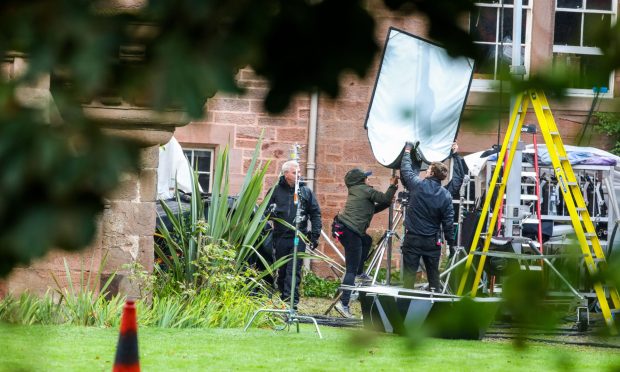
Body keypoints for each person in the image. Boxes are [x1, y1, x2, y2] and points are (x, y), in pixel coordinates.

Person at [334, 168, 398, 318]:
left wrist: (387, 202)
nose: (368, 179)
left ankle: (359, 272)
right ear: (360, 180)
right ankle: (343, 304)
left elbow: (371, 209)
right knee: (351, 269)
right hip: (351, 231)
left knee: (367, 240)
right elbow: (383, 198)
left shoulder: (358, 191)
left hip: (348, 229)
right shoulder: (364, 189)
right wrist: (393, 186)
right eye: (366, 177)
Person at [400, 142, 455, 291]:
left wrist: (407, 151)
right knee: (433, 277)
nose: (426, 171)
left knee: (409, 279)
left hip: (413, 239)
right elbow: (448, 222)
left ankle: (405, 309)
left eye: (428, 169)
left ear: (431, 173)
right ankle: (435, 306)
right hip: (432, 242)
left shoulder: (418, 185)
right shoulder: (445, 195)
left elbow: (406, 170)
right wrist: (451, 243)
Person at [267, 160, 322, 309]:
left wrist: (315, 234)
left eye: (299, 172)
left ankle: (291, 305)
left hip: (298, 238)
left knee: (293, 271)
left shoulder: (305, 191)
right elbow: (264, 213)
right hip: (280, 238)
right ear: (286, 174)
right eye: (294, 172)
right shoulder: (275, 191)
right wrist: (270, 214)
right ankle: (283, 299)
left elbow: (315, 213)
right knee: (283, 272)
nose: (299, 175)